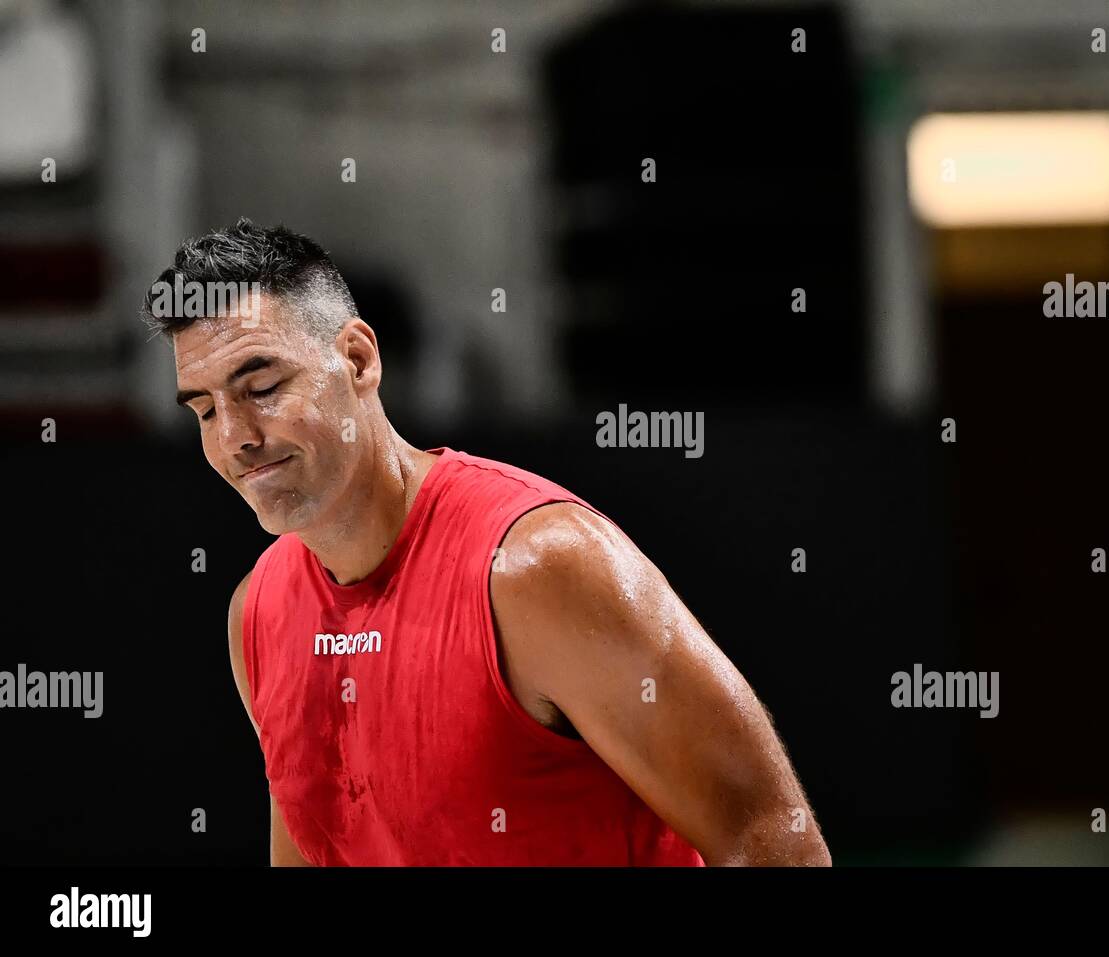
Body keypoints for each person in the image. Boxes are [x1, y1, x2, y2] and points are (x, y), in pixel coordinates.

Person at [146, 218, 830, 866]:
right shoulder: (259, 615)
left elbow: (776, 842)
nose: (234, 435)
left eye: (261, 386)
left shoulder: (541, 566)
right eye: (204, 408)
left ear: (357, 358)